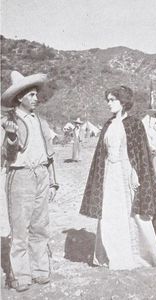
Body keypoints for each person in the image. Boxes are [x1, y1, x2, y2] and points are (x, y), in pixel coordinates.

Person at [79, 86, 156, 270]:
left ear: (123, 101)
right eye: (108, 100)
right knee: (110, 212)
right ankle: (111, 254)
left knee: (133, 213)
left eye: (112, 100)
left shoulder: (134, 124)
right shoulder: (108, 125)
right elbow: (101, 154)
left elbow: (141, 154)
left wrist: (135, 173)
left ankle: (138, 255)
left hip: (127, 173)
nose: (109, 103)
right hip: (110, 173)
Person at [1, 71, 59, 292]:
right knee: (20, 229)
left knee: (40, 226)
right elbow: (5, 154)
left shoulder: (41, 122)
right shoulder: (8, 122)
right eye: (32, 95)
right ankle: (21, 275)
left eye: (36, 94)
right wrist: (11, 137)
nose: (36, 98)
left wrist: (53, 182)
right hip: (20, 175)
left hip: (41, 175)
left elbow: (50, 154)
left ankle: (40, 271)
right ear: (19, 98)